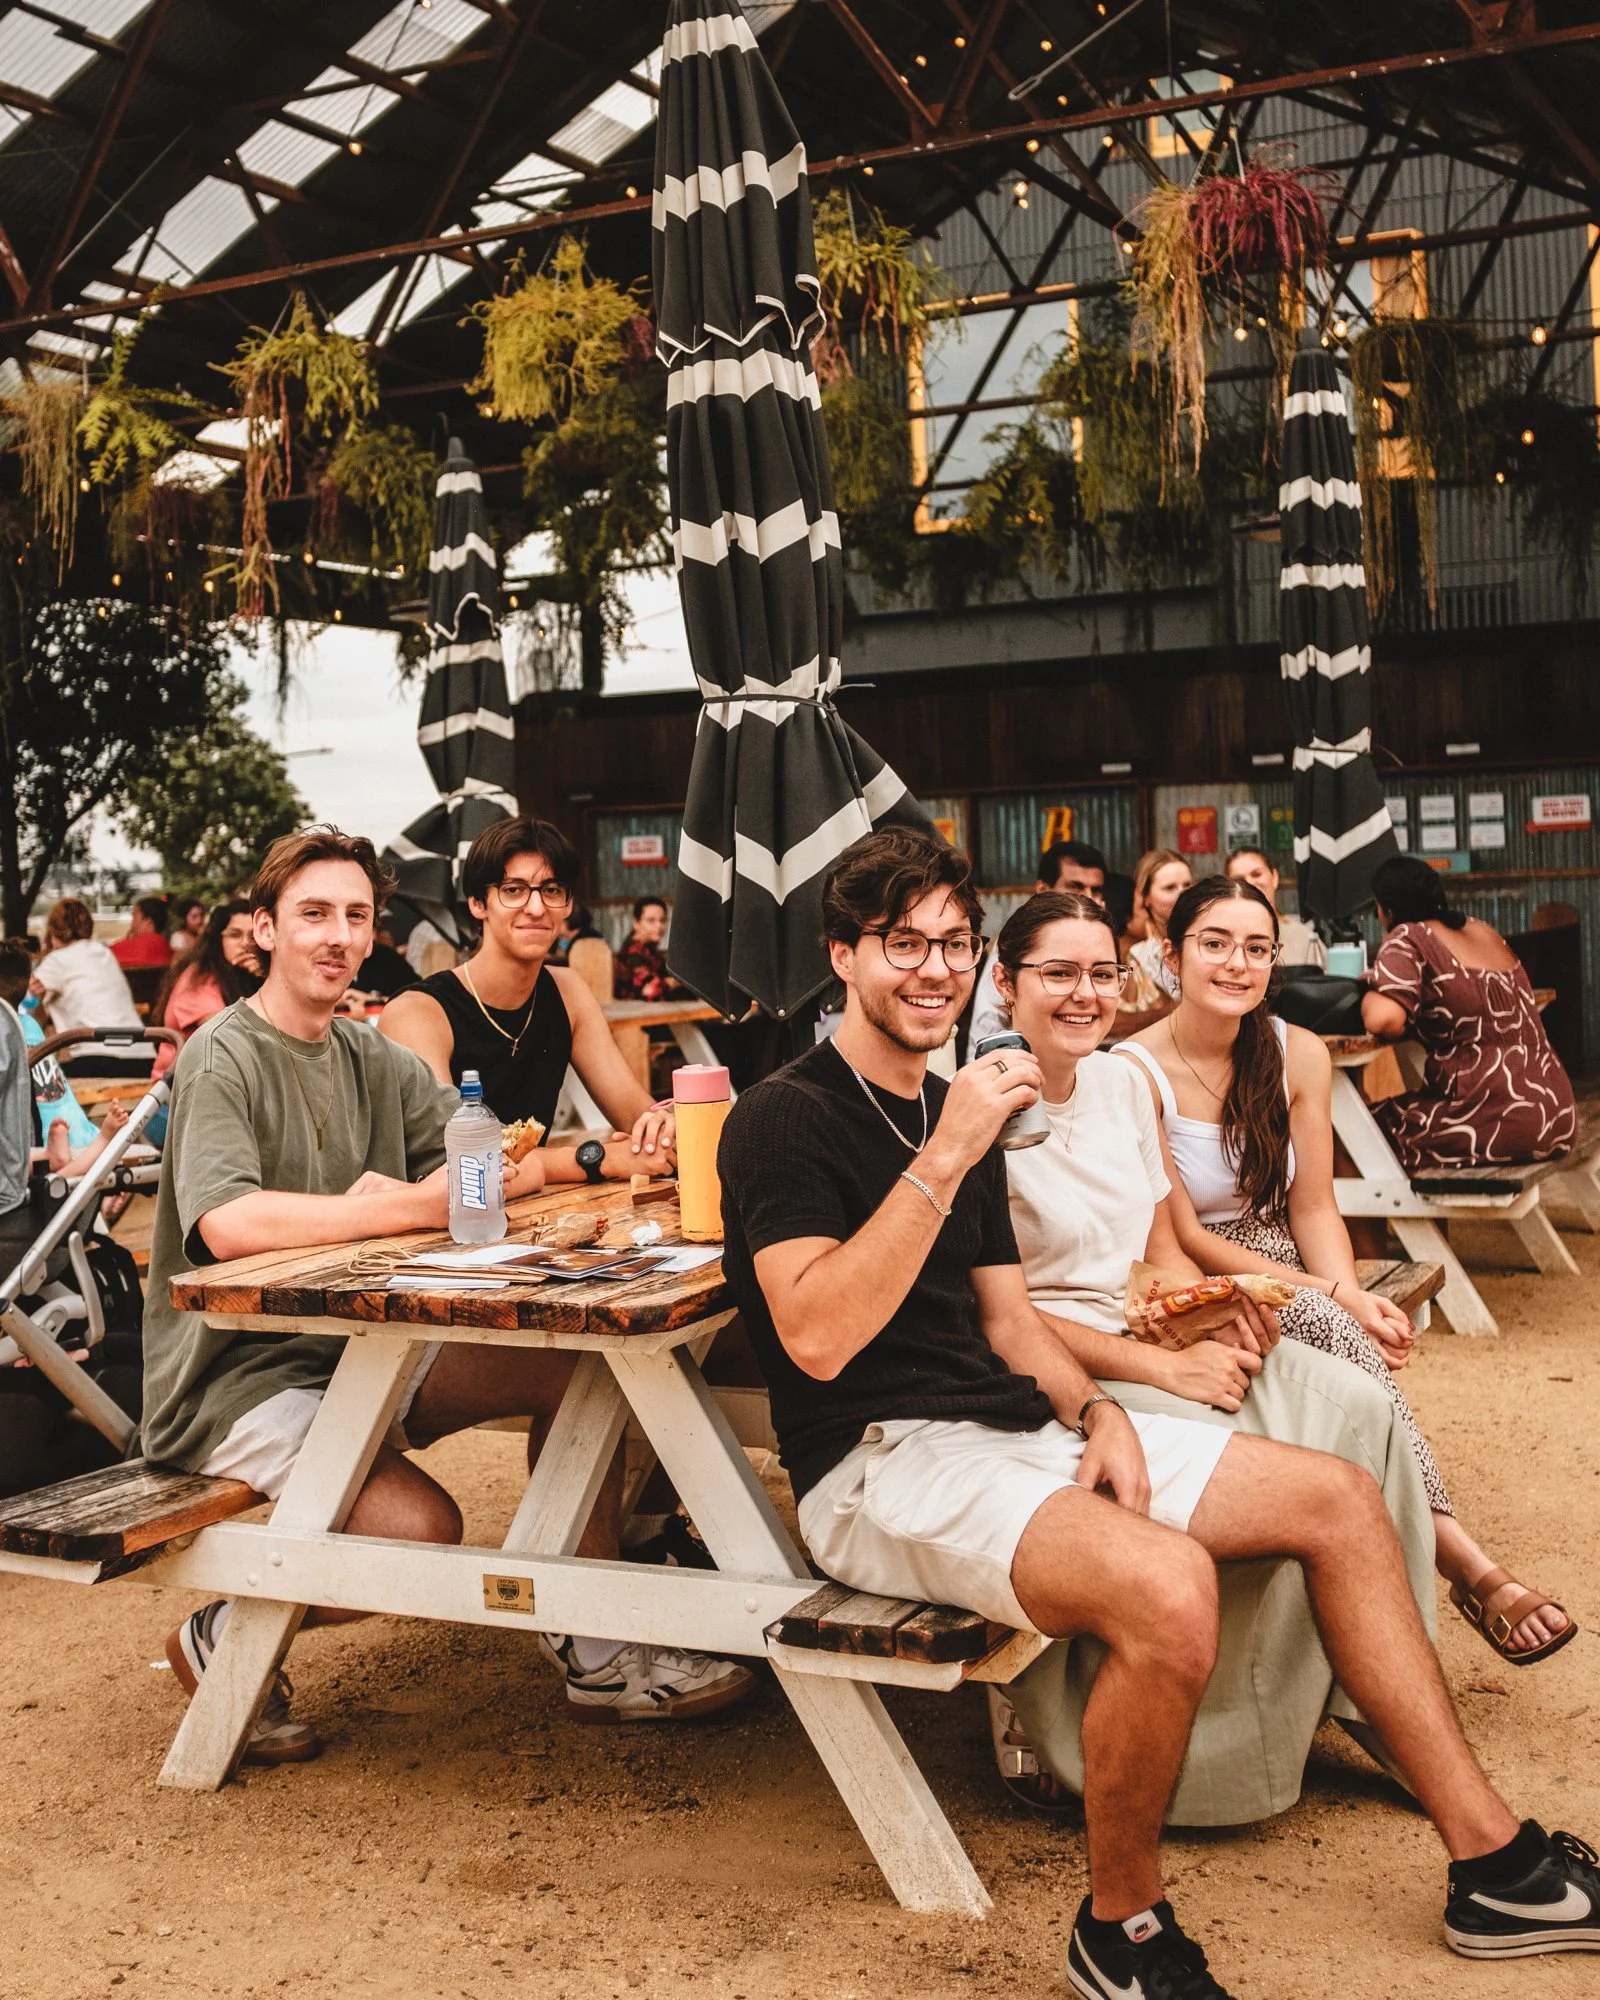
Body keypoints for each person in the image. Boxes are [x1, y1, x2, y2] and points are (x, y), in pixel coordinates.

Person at [717, 826, 1600, 1992]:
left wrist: (1098, 1411)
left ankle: (1488, 1860)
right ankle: (1119, 1925)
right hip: (882, 1459)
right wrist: (945, 1155)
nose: (928, 969)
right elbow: (816, 1335)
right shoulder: (787, 1116)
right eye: (899, 945)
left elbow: (1010, 1323)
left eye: (948, 943)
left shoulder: (955, 1102)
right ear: (842, 955)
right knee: (1168, 1583)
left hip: (1011, 1424)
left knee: (1336, 1499)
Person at [141, 826, 751, 1763]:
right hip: (236, 1376)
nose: (338, 936)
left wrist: (565, 1161)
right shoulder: (220, 1054)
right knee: (422, 1535)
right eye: (313, 915)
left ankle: (590, 1635)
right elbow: (226, 1225)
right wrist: (406, 1206)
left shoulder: (365, 1051)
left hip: (358, 1347)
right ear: (263, 929)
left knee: (577, 1365)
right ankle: (226, 1629)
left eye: (356, 916)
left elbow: (488, 1152)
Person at [989, 890, 1436, 1820]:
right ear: (1005, 984)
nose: (1084, 994)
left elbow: (1159, 1249)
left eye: (1099, 974)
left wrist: (1206, 1305)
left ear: (1127, 977)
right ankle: (1226, 1747)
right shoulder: (978, 1104)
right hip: (1062, 1359)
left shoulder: (1119, 1083)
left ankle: (1374, 1694)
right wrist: (1165, 1362)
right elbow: (996, 1311)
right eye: (1057, 974)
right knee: (1269, 1457)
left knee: (1357, 1400)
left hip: (1144, 1328)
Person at [1121, 874, 1574, 1667]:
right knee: (1337, 1326)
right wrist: (1335, 1298)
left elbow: (1314, 1210)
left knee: (1348, 1339)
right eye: (1215, 944)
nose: (1237, 964)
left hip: (1286, 1255)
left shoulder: (1296, 1052)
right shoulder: (1136, 1069)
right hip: (1192, 1264)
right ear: (1173, 956)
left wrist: (1353, 1297)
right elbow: (1185, 1234)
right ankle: (1457, 1553)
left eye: (1257, 948)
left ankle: (1428, 1552)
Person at [380, 819, 674, 1183]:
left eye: (551, 890)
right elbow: (466, 1162)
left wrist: (659, 1128)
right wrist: (596, 1158)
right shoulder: (419, 1013)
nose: (536, 907)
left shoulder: (568, 992)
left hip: (531, 1219)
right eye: (514, 889)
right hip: (429, 1230)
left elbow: (637, 1114)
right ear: (476, 903)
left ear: (567, 905)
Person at [1362, 854, 1576, 1169]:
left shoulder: (1407, 937)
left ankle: (1351, 1220)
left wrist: (1367, 991)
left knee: (1355, 1131)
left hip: (1491, 1116)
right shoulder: (1482, 930)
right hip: (1555, 1113)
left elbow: (1385, 1020)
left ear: (1386, 910)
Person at [967, 838, 1108, 1048]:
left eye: (1095, 890)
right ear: (1043, 889)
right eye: (1076, 887)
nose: (1088, 898)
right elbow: (988, 1029)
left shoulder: (1101, 943)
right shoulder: (1019, 941)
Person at [150, 900, 260, 1082]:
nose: (245, 944)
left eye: (253, 936)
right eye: (234, 935)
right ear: (217, 940)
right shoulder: (198, 980)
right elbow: (228, 1037)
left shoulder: (251, 977)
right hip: (177, 1095)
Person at [31, 899, 140, 1034]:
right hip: (140, 1045)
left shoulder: (58, 960)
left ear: (52, 932)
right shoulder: (105, 953)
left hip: (95, 1048)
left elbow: (25, 1012)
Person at [1223, 846, 1326, 968]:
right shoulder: (1221, 942)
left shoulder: (1304, 937)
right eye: (1239, 880)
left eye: (1257, 874)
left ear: (1275, 877)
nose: (1250, 883)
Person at [1120, 850, 1191, 1018]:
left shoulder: (1209, 939)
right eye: (1169, 888)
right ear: (1146, 897)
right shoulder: (1138, 956)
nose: (1182, 894)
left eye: (1187, 885)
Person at [613, 896, 684, 1001]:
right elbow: (652, 991)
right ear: (636, 923)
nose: (659, 926)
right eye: (651, 920)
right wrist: (673, 983)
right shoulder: (632, 953)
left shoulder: (651, 951)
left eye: (663, 920)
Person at [110, 896, 174, 974]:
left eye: (134, 917)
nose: (132, 924)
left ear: (147, 920)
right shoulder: (167, 948)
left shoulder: (130, 948)